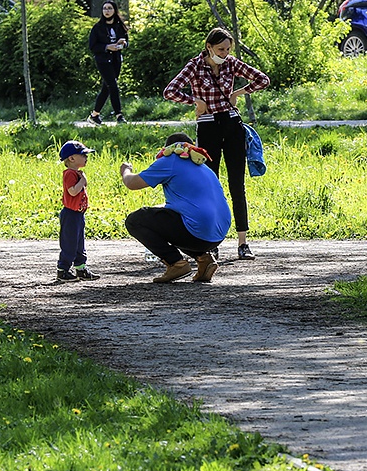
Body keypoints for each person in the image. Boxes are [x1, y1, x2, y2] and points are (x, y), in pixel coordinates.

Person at [163, 27, 269, 261]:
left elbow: (263, 79)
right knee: (210, 184)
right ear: (209, 47)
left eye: (228, 49)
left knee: (237, 184)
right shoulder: (195, 66)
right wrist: (195, 101)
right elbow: (169, 91)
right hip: (208, 125)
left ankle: (243, 243)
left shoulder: (231, 63)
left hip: (231, 124)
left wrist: (240, 92)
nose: (225, 53)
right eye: (221, 49)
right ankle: (211, 241)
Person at [120, 132, 232, 283]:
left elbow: (132, 184)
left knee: (135, 220)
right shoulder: (202, 166)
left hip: (197, 232)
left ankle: (176, 263)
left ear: (168, 148)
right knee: (173, 219)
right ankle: (204, 259)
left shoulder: (170, 160)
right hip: (218, 233)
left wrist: (125, 171)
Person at [57, 140, 100, 282]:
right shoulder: (70, 173)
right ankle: (63, 270)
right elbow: (73, 191)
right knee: (69, 243)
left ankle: (81, 268)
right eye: (83, 155)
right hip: (70, 214)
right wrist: (83, 181)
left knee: (79, 243)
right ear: (72, 158)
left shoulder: (76, 173)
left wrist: (82, 179)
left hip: (78, 214)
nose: (86, 158)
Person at [87, 0, 129, 125]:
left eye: (109, 8)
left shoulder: (119, 26)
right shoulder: (97, 28)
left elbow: (126, 41)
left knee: (107, 87)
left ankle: (94, 115)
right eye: (105, 8)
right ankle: (119, 115)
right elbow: (93, 46)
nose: (107, 11)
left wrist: (123, 43)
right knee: (113, 85)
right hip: (103, 60)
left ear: (114, 11)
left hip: (116, 59)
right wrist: (107, 47)